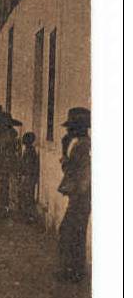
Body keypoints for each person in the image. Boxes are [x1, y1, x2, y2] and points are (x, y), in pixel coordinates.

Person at [56, 108, 91, 283]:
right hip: (83, 195)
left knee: (68, 231)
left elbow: (70, 170)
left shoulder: (81, 146)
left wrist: (63, 152)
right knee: (76, 232)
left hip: (80, 195)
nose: (68, 131)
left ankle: (71, 271)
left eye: (71, 127)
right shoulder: (86, 144)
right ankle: (74, 270)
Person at [17, 132, 40, 224]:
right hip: (27, 176)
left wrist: (23, 174)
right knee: (24, 196)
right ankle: (26, 215)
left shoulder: (30, 151)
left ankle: (29, 217)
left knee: (27, 197)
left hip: (28, 177)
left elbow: (28, 166)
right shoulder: (27, 150)